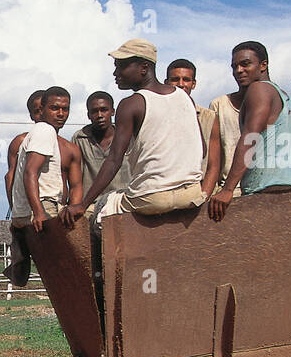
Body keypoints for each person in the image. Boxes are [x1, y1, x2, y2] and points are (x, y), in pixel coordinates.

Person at [65, 38, 205, 224]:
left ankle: (99, 254)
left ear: (144, 68)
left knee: (101, 207)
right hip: (191, 193)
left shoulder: (131, 104)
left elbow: (114, 159)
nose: (115, 73)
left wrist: (82, 205)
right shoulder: (185, 98)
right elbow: (201, 147)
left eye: (121, 66)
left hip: (152, 196)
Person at [203, 42, 291, 220]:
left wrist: (227, 189)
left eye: (245, 64)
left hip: (269, 188)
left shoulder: (259, 89)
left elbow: (250, 138)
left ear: (263, 65)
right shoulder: (281, 94)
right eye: (235, 66)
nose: (239, 70)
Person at [11, 86, 80, 231]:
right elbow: (30, 172)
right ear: (42, 110)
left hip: (30, 210)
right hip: (43, 206)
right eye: (54, 108)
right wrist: (39, 212)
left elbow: (75, 187)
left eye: (65, 109)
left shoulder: (44, 134)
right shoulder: (45, 130)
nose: (61, 114)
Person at [70, 91, 131, 214]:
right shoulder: (80, 138)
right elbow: (74, 178)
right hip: (90, 206)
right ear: (88, 115)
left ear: (112, 111)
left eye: (104, 110)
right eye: (94, 111)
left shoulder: (126, 137)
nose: (99, 115)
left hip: (122, 202)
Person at [165, 58, 216, 172]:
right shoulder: (156, 113)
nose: (181, 84)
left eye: (186, 80)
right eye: (175, 79)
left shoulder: (209, 117)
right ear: (166, 83)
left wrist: (204, 190)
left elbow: (213, 165)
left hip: (198, 184)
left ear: (193, 84)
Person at [5, 90, 45, 212]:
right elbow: (10, 176)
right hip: (28, 209)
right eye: (37, 111)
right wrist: (15, 209)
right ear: (31, 115)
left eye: (44, 109)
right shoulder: (21, 142)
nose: (41, 115)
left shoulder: (64, 144)